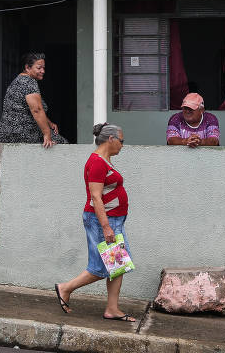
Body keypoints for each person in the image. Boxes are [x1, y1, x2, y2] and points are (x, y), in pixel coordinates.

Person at [54, 123, 135, 322]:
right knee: (101, 267)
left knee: (118, 265)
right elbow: (96, 197)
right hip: (102, 221)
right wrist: (106, 226)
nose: (122, 145)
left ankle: (112, 309)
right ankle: (65, 288)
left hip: (112, 220)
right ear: (111, 139)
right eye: (121, 141)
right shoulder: (97, 162)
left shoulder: (104, 161)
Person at [0, 52, 68, 148]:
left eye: (43, 68)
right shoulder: (29, 82)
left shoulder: (19, 79)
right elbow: (36, 110)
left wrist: (48, 122)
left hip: (8, 131)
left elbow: (27, 108)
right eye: (39, 68)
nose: (43, 71)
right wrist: (47, 134)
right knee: (63, 144)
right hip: (20, 132)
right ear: (27, 68)